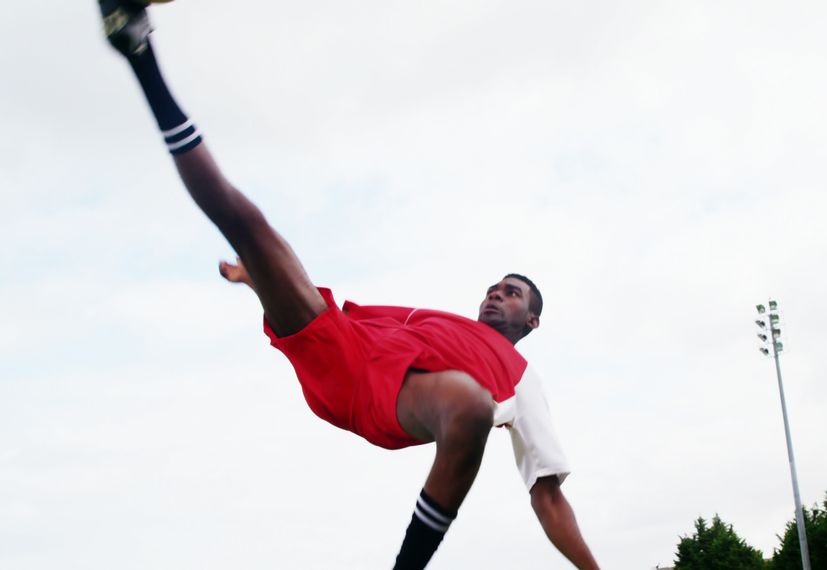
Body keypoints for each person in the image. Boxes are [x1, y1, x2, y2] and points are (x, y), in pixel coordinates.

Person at [98, 2, 600, 568]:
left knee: (470, 403)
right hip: (341, 347)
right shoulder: (430, 321)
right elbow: (333, 308)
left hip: (392, 401)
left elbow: (549, 496)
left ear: (532, 321)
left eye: (512, 293)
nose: (496, 294)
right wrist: (261, 279)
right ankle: (139, 52)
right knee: (246, 224)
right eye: (493, 286)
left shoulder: (523, 382)